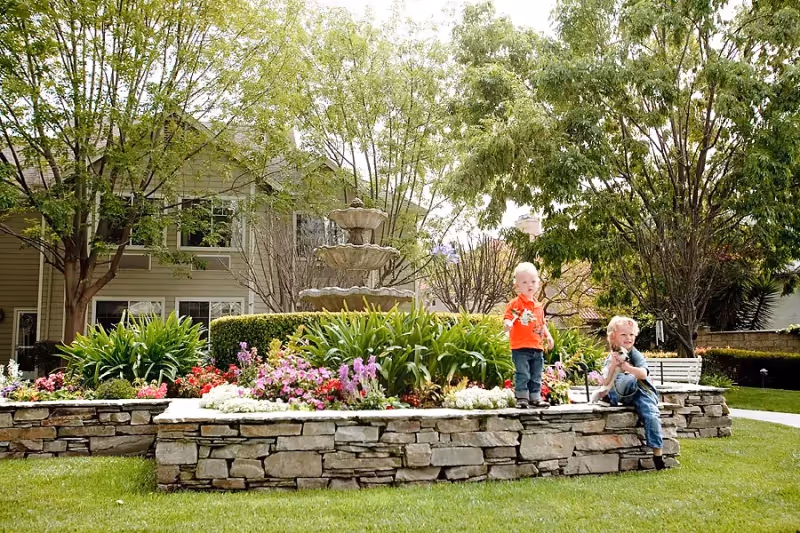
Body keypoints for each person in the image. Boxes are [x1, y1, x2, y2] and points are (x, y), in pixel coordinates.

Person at [600, 316, 667, 470]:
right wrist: (613, 367)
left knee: (651, 414)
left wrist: (626, 367)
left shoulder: (634, 354)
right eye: (623, 334)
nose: (628, 338)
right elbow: (605, 381)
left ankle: (658, 457)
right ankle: (612, 398)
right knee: (615, 385)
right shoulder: (611, 356)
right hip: (621, 393)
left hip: (641, 391)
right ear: (613, 336)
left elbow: (643, 374)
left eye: (631, 335)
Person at [503, 262, 554, 408]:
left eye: (533, 281)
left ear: (538, 283)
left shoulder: (538, 306)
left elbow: (542, 324)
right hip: (520, 346)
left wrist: (548, 336)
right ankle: (522, 397)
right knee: (523, 374)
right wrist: (507, 324)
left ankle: (535, 397)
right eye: (524, 282)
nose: (529, 285)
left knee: (536, 374)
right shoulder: (516, 304)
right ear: (517, 286)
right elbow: (508, 317)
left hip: (537, 347)